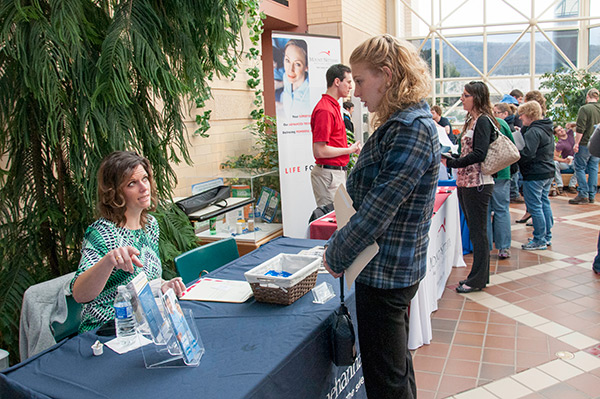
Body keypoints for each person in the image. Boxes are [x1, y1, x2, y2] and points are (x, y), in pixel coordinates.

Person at [323, 35, 439, 399]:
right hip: (388, 265)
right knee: (395, 367)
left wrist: (335, 254)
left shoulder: (409, 128)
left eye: (359, 80)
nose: (355, 92)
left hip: (386, 270)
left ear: (386, 75)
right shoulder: (403, 123)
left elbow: (378, 211)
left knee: (386, 379)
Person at [71, 151, 186, 333]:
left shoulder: (150, 225)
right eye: (132, 183)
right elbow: (80, 294)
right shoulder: (102, 233)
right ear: (114, 193)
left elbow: (143, 282)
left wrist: (162, 285)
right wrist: (109, 261)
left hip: (143, 325)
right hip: (106, 331)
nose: (144, 188)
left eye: (145, 179)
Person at [443, 81, 496, 294]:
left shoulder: (483, 121)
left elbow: (479, 154)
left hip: (478, 184)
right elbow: (469, 153)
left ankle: (478, 279)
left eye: (466, 95)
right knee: (476, 232)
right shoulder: (473, 121)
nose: (462, 98)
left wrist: (454, 163)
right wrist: (453, 157)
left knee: (478, 232)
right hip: (467, 182)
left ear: (477, 97)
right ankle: (478, 276)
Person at [310, 64, 361, 207]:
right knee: (334, 223)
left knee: (340, 221)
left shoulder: (332, 106)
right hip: (329, 175)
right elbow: (319, 150)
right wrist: (348, 150)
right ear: (337, 82)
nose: (351, 86)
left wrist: (348, 148)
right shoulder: (325, 109)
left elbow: (330, 145)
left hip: (334, 174)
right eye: (349, 82)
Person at [517, 101, 555, 250]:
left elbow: (528, 153)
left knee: (535, 206)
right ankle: (546, 236)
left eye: (522, 115)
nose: (520, 118)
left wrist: (516, 153)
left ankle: (539, 239)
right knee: (544, 203)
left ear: (529, 115)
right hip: (546, 171)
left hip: (535, 173)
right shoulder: (546, 128)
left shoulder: (534, 131)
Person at [487, 110, 516, 259]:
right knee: (502, 210)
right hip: (503, 171)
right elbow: (512, 145)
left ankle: (485, 247)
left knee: (484, 211)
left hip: (484, 172)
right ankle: (503, 247)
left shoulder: (476, 123)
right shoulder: (502, 123)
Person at [569, 88, 600, 204]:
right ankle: (592, 195)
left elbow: (580, 128)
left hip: (585, 143)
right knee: (593, 167)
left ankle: (583, 194)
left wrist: (576, 143)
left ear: (587, 97)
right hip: (597, 144)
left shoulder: (584, 108)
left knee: (580, 167)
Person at [278, 39, 311, 118]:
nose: (290, 69)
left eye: (297, 64)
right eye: (287, 60)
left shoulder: (311, 93)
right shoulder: (286, 77)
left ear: (306, 67)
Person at [552, 124, 577, 194]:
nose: (562, 131)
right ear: (556, 135)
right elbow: (554, 157)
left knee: (581, 166)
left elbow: (576, 125)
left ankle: (572, 185)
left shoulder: (570, 133)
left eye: (562, 128)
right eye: (559, 131)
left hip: (575, 161)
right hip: (565, 163)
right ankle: (560, 185)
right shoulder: (560, 144)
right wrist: (564, 160)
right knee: (555, 163)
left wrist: (569, 125)